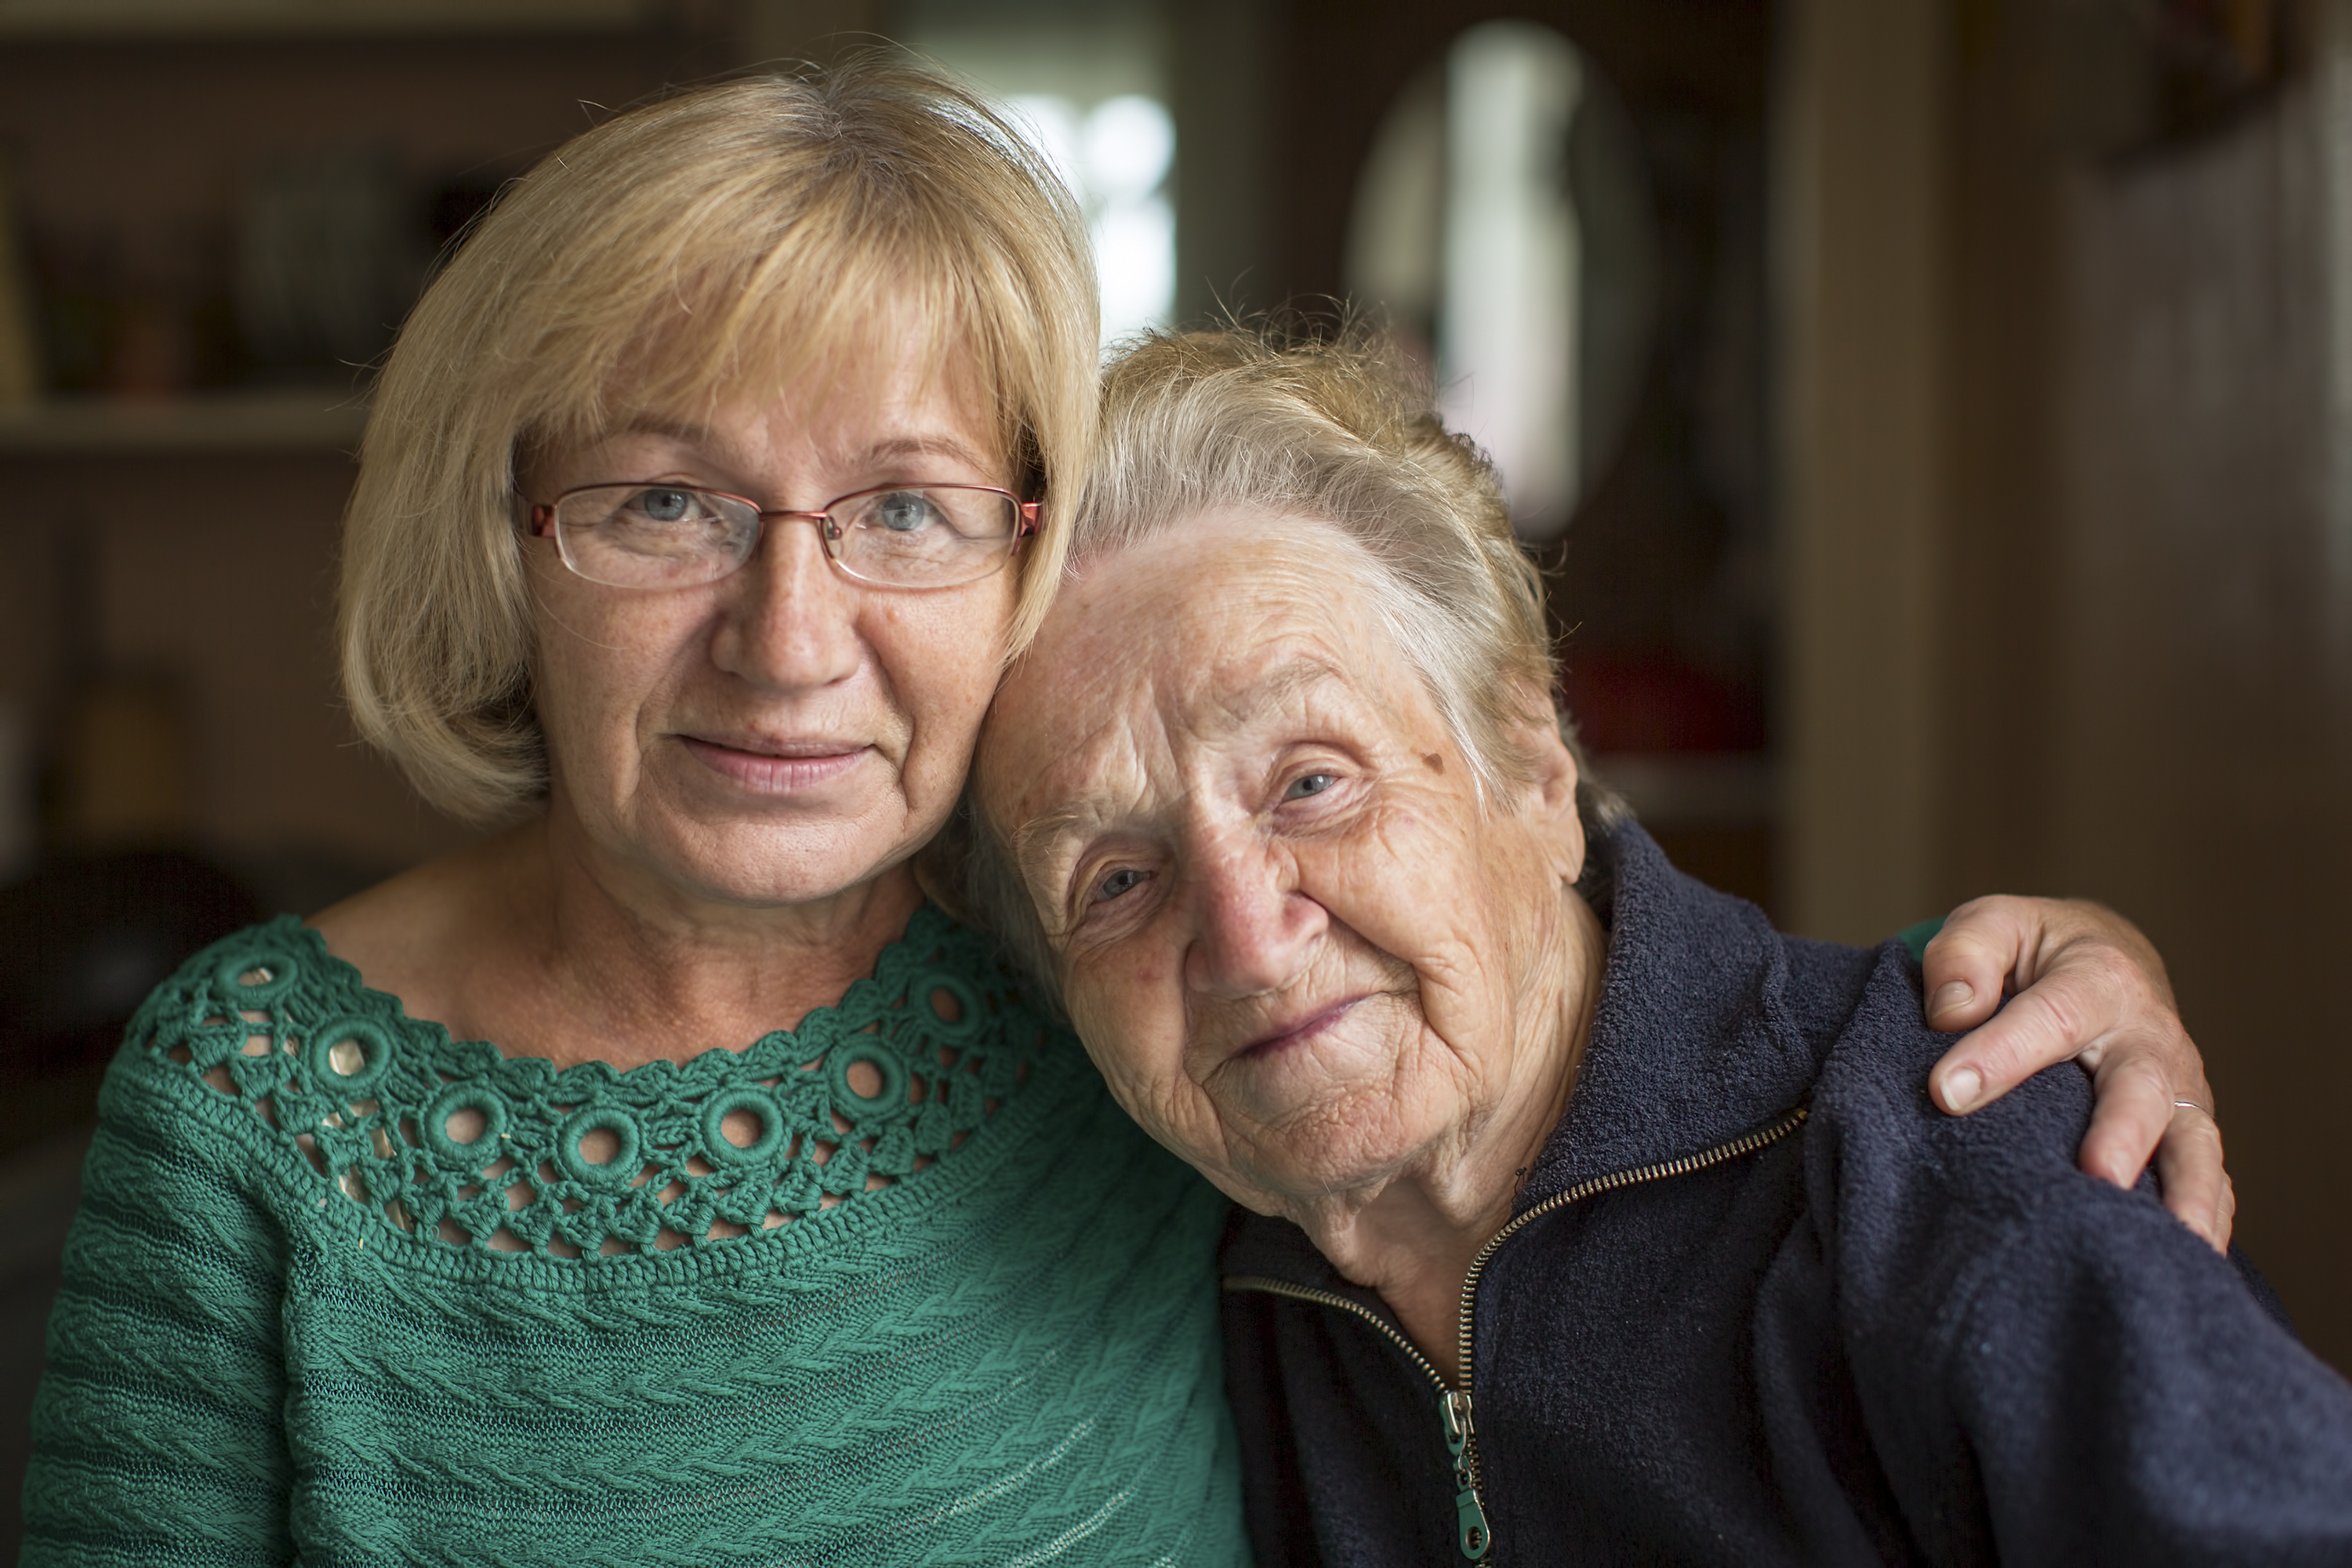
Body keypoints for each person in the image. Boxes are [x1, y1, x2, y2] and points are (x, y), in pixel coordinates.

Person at [20, 60, 2220, 1566]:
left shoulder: (1107, 1013)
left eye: (903, 509)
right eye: (662, 500)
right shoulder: (251, 1123)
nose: (789, 639)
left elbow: (1539, 1046)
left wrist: (2010, 1042)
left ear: (1013, 585)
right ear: (505, 540)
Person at [967, 327, 2352, 1565]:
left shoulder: (1949, 1158)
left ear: (1535, 767)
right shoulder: (1154, 1288)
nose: (1251, 944)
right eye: (1119, 881)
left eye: (1313, 783)